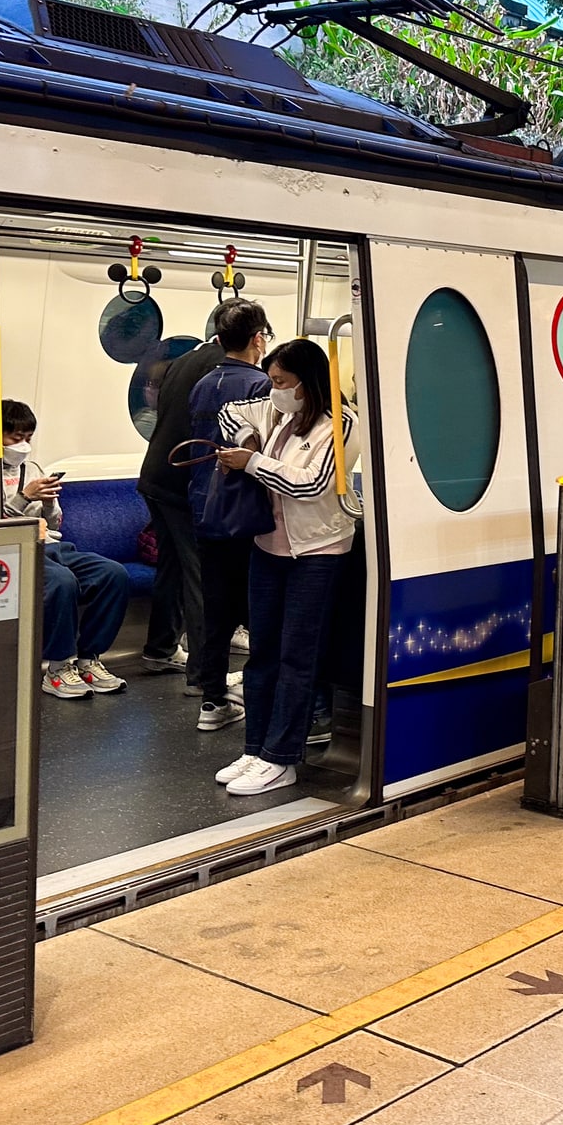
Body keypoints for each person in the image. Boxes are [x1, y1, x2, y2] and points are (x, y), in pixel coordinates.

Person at [212, 339, 359, 796]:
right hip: (269, 550)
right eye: (272, 382)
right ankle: (255, 748)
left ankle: (282, 757)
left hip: (316, 555)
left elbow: (313, 484)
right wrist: (249, 440)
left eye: (281, 382)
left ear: (307, 382)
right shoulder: (281, 415)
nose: (273, 391)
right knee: (263, 656)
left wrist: (252, 462)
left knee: (297, 657)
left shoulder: (341, 424)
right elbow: (231, 413)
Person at [1, 400, 131, 698]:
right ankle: (58, 666)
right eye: (14, 438)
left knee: (113, 574)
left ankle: (89, 659)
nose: (22, 445)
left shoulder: (32, 468)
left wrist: (47, 503)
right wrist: (23, 496)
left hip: (51, 545)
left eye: (27, 438)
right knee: (62, 582)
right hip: (13, 550)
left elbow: (55, 521)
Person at [184, 300, 272, 732]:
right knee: (259, 607)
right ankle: (263, 697)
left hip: (205, 507)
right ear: (258, 339)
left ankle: (213, 701)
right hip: (247, 514)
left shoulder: (203, 385)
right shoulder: (260, 387)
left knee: (217, 607)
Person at [135, 320, 229, 673]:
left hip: (156, 476)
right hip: (184, 483)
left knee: (172, 568)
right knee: (200, 573)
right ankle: (206, 671)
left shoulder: (184, 359)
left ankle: (160, 648)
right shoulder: (223, 368)